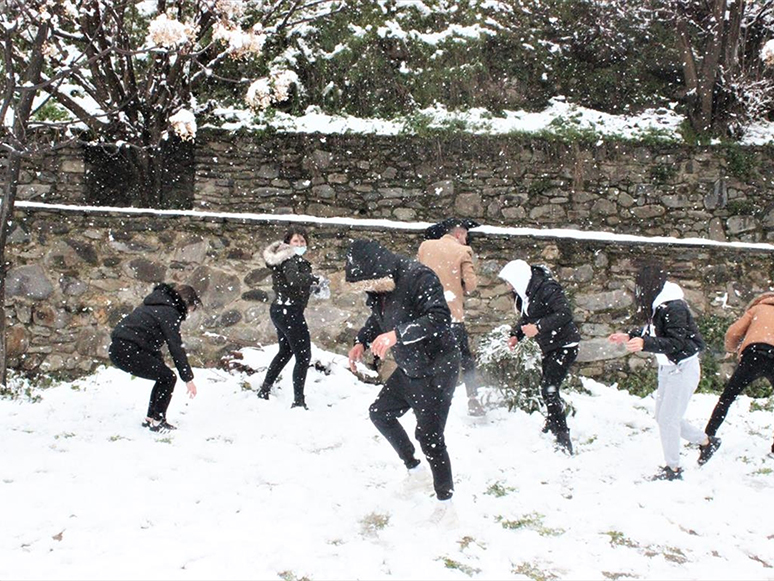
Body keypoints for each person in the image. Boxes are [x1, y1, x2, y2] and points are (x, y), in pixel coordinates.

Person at [345, 239, 461, 524]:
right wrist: (362, 340)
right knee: (380, 414)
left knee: (430, 438)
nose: (367, 289)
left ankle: (447, 505)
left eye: (368, 283)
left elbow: (439, 318)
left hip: (437, 366)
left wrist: (397, 335)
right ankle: (415, 471)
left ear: (380, 271)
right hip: (411, 366)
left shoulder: (419, 277)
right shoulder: (379, 288)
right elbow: (378, 319)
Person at [608, 262, 711, 481]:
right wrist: (630, 335)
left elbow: (676, 342)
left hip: (683, 369)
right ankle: (707, 442)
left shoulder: (674, 307)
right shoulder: (659, 305)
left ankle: (673, 469)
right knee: (664, 417)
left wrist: (645, 344)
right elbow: (653, 330)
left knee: (668, 420)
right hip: (668, 369)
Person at [498, 259, 580, 455]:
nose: (507, 286)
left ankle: (563, 438)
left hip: (564, 345)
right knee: (548, 386)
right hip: (550, 346)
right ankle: (553, 423)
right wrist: (516, 335)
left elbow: (564, 314)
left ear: (518, 278)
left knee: (549, 389)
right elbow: (528, 317)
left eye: (509, 281)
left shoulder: (547, 288)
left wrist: (539, 327)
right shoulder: (526, 293)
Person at [109, 282, 201, 432]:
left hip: (119, 349)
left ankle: (152, 418)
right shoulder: (170, 312)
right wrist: (188, 378)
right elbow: (176, 346)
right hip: (128, 351)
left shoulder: (155, 305)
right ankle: (158, 420)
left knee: (163, 376)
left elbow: (146, 340)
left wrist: (160, 364)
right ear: (186, 303)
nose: (189, 313)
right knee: (168, 378)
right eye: (191, 308)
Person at [699, 291, 774, 464]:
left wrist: (732, 349)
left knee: (727, 398)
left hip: (753, 355)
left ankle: (708, 437)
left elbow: (733, 333)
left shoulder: (757, 309)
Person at [417, 218, 483, 416]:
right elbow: (471, 285)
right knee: (464, 357)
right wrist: (458, 286)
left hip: (426, 314)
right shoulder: (462, 251)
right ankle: (473, 398)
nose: (466, 240)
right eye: (466, 236)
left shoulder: (425, 247)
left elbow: (418, 274)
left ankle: (424, 399)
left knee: (427, 357)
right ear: (458, 234)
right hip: (451, 315)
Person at [258, 226, 323, 410]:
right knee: (303, 355)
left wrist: (313, 285)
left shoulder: (289, 259)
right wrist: (313, 279)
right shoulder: (290, 259)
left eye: (302, 241)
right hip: (289, 311)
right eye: (296, 241)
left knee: (285, 351)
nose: (300, 244)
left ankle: (264, 390)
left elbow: (292, 283)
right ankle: (298, 401)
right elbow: (294, 279)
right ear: (288, 242)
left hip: (282, 309)